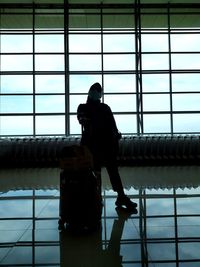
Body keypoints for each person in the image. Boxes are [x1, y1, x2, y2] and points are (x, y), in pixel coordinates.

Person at [77, 82, 137, 210]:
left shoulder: (86, 108)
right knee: (104, 172)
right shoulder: (102, 108)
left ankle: (101, 197)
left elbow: (86, 121)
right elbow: (111, 126)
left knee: (100, 172)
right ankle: (115, 196)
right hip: (100, 146)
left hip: (97, 145)